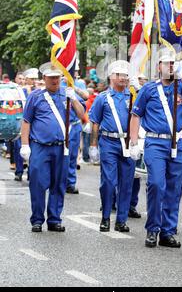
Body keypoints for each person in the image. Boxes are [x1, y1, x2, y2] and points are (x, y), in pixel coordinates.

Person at [130, 47, 182, 249]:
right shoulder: (149, 89)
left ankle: (167, 232)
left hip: (178, 143)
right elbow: (136, 115)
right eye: (166, 63)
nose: (170, 66)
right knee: (156, 185)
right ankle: (153, 229)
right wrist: (134, 142)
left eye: (173, 63)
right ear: (158, 66)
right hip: (156, 142)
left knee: (174, 189)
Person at [20, 63, 85, 232]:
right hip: (40, 146)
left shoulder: (66, 94)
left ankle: (54, 219)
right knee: (38, 184)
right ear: (44, 79)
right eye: (51, 78)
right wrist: (25, 145)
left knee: (59, 184)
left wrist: (74, 98)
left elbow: (81, 114)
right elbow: (26, 121)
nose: (55, 81)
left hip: (61, 147)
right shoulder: (35, 96)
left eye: (57, 77)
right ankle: (37, 219)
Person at [89, 60, 135, 233]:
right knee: (108, 181)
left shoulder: (132, 97)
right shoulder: (103, 98)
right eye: (119, 75)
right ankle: (106, 217)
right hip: (108, 141)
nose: (123, 78)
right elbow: (95, 122)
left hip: (128, 143)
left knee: (126, 183)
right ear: (111, 77)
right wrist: (93, 145)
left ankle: (121, 220)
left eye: (125, 75)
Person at [60, 77, 89, 194]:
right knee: (59, 155)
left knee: (72, 156)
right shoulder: (57, 81)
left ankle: (70, 183)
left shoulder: (79, 83)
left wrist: (73, 88)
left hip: (74, 124)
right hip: (61, 125)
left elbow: (86, 96)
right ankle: (57, 181)